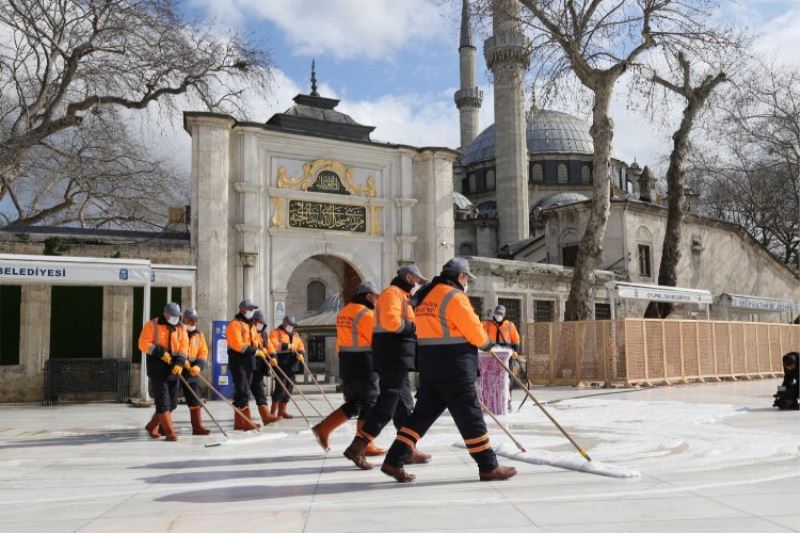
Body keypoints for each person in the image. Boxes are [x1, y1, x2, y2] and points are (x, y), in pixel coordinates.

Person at [381, 258, 517, 482]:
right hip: (455, 366)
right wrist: (487, 344)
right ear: (461, 277)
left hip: (431, 366)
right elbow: (473, 329)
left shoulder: (425, 296)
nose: (467, 283)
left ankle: (394, 460)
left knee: (420, 417)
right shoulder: (454, 296)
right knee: (471, 416)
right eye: (467, 279)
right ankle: (488, 466)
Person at [344, 265, 431, 470]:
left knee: (403, 407)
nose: (417, 285)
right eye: (417, 280)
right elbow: (393, 323)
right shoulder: (393, 294)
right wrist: (415, 328)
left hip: (398, 358)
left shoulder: (402, 296)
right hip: (392, 357)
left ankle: (407, 449)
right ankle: (357, 447)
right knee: (386, 407)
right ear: (408, 277)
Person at [312, 281, 385, 456]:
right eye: (376, 297)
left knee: (354, 404)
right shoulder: (366, 315)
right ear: (369, 296)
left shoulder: (344, 312)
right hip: (364, 363)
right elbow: (377, 341)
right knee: (369, 403)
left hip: (346, 362)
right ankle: (366, 444)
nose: (377, 302)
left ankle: (324, 429)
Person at [139, 302, 189, 442]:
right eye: (173, 316)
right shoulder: (152, 325)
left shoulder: (181, 327)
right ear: (165, 314)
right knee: (163, 401)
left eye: (178, 316)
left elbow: (184, 345)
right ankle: (170, 432)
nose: (176, 318)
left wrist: (180, 361)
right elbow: (143, 343)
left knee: (172, 403)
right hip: (157, 367)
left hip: (173, 366)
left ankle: (152, 425)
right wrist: (160, 352)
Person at [225, 299, 262, 430]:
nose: (252, 312)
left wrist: (261, 350)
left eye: (253, 309)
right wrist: (254, 351)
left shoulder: (251, 325)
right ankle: (246, 421)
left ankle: (239, 422)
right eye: (250, 309)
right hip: (238, 361)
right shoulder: (235, 324)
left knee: (243, 390)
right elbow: (236, 344)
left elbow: (256, 340)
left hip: (249, 361)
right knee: (243, 390)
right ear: (243, 309)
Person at [178, 308, 211, 435]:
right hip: (177, 369)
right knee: (168, 400)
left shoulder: (199, 335)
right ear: (183, 320)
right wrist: (181, 360)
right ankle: (161, 426)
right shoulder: (177, 332)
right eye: (189, 321)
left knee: (195, 398)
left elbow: (203, 352)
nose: (192, 323)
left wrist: (199, 366)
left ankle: (197, 427)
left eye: (194, 321)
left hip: (192, 371)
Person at [482, 305, 522, 406]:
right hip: (491, 355)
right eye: (497, 313)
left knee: (506, 378)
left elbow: (516, 339)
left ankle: (507, 401)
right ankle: (491, 401)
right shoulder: (487, 324)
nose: (498, 315)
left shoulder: (510, 325)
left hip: (506, 356)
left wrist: (516, 351)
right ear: (494, 313)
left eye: (500, 314)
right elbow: (481, 335)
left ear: (504, 315)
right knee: (491, 378)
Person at [268, 315, 306, 419]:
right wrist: (287, 346)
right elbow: (272, 345)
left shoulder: (295, 335)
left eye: (293, 325)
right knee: (281, 387)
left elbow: (300, 345)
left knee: (289, 387)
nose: (291, 327)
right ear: (284, 324)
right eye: (290, 325)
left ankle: (282, 411)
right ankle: (272, 412)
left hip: (292, 364)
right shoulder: (275, 332)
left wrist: (301, 354)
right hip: (280, 363)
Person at [251, 310, 280, 425]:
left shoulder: (264, 334)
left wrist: (273, 357)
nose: (260, 325)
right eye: (259, 322)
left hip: (258, 367)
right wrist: (256, 351)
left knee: (259, 391)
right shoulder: (249, 332)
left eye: (262, 323)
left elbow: (269, 346)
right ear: (254, 322)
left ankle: (266, 417)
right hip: (248, 366)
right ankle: (241, 419)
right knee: (241, 393)